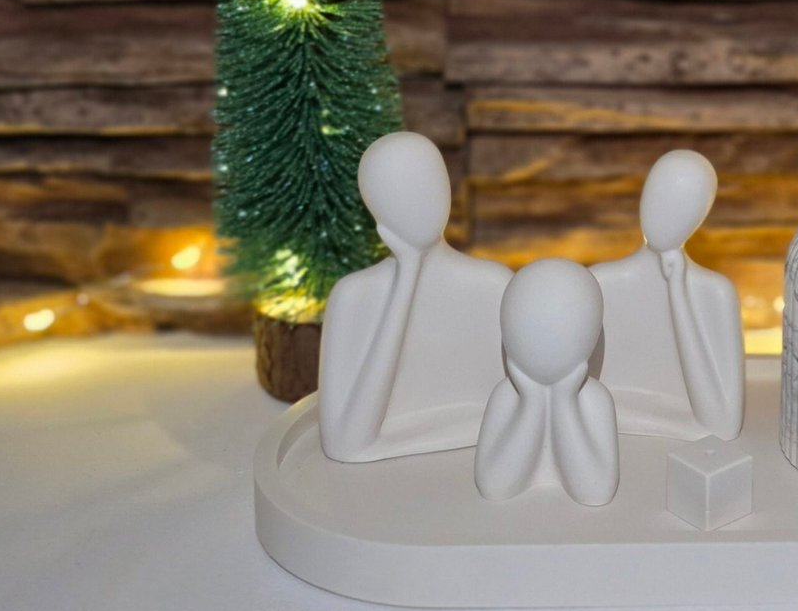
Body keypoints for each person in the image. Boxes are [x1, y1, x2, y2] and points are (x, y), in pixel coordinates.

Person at [318, 131, 511, 462]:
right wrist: (407, 275)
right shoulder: (353, 296)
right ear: (374, 209)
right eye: (396, 193)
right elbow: (345, 444)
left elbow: (518, 415)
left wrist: (393, 444)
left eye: (427, 183)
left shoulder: (494, 285)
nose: (419, 203)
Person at [591, 150, 745, 441]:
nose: (665, 214)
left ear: (701, 216)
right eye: (659, 196)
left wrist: (677, 293)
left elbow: (722, 425)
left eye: (686, 205)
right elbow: (572, 401)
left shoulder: (716, 293)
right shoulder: (601, 282)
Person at [474, 259, 619, 506]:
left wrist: (564, 400)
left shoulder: (596, 399)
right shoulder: (505, 395)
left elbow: (595, 491)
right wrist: (530, 401)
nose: (543, 344)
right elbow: (493, 485)